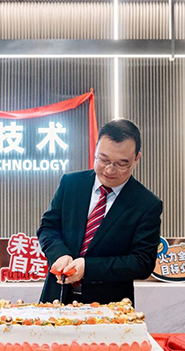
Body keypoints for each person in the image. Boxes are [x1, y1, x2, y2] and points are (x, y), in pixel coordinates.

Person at [37, 119, 163, 306]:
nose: (110, 170)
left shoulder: (146, 204)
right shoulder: (71, 184)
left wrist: (88, 267)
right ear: (96, 149)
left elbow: (142, 262)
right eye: (103, 159)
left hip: (109, 306)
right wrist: (59, 254)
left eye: (121, 164)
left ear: (136, 159)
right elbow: (48, 228)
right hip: (57, 298)